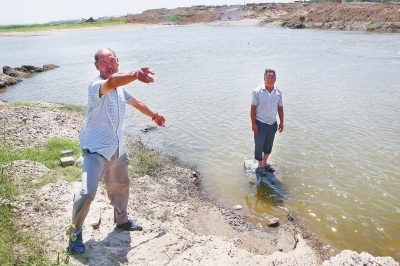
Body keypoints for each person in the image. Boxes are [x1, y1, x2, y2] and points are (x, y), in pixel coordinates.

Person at [68, 48, 166, 254]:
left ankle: (121, 221)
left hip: (117, 146)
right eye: (104, 62)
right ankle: (75, 232)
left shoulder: (121, 89)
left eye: (112, 60)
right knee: (87, 192)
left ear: (118, 61)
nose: (109, 64)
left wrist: (154, 115)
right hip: (96, 149)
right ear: (97, 67)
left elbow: (136, 102)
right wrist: (135, 74)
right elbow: (112, 82)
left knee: (121, 186)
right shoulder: (97, 85)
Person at [250, 68, 284, 175]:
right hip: (260, 122)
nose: (270, 79)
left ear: (275, 79)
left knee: (269, 145)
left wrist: (281, 122)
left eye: (272, 77)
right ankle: (260, 164)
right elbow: (252, 109)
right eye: (268, 77)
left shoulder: (278, 93)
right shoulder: (257, 92)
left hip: (272, 123)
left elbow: (280, 108)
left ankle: (265, 162)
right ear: (264, 79)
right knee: (259, 144)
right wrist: (253, 124)